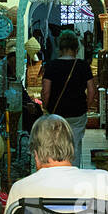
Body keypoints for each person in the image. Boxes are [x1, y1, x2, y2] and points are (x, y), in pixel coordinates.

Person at [40, 29, 97, 167]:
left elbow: (46, 92)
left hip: (56, 113)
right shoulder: (83, 65)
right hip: (78, 113)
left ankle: (57, 173)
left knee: (56, 145)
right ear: (76, 48)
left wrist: (46, 108)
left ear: (60, 48)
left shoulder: (52, 66)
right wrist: (86, 107)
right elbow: (91, 91)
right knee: (74, 145)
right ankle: (73, 172)